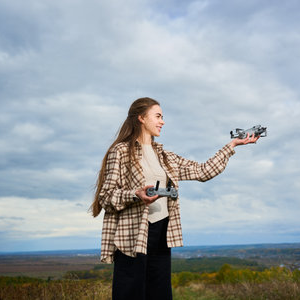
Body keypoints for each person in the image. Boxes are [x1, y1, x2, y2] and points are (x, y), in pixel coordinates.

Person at [91, 97, 260, 300]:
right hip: (132, 237)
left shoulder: (165, 156)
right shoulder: (120, 152)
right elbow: (106, 197)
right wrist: (136, 194)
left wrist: (232, 145)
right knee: (130, 294)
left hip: (162, 232)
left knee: (160, 294)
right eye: (158, 116)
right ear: (141, 118)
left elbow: (203, 171)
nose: (163, 121)